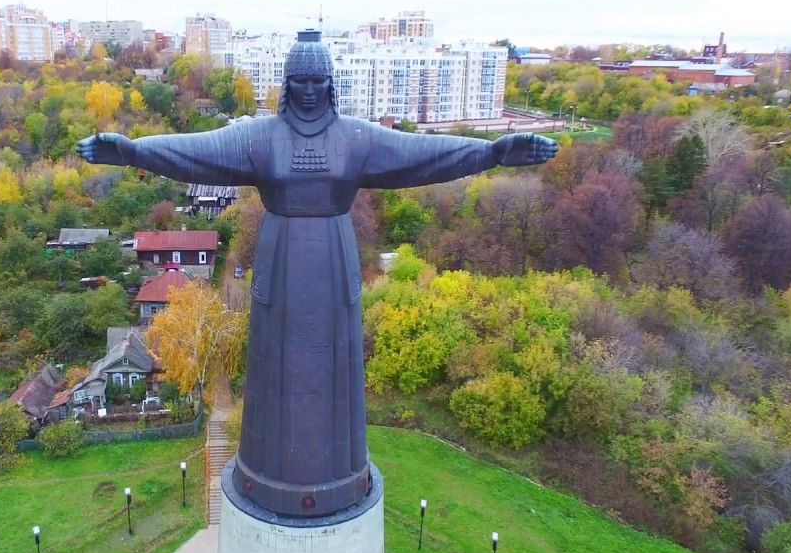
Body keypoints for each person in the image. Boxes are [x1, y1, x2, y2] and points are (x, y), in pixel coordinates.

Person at [79, 30, 557, 517]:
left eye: (317, 80)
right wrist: (133, 151)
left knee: (336, 364)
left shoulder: (355, 138)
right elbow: (195, 150)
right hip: (279, 260)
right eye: (300, 80)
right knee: (274, 363)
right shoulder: (260, 136)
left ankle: (340, 476)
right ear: (287, 84)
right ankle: (266, 474)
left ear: (330, 83)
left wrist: (494, 152)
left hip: (333, 259)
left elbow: (423, 156)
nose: (309, 89)